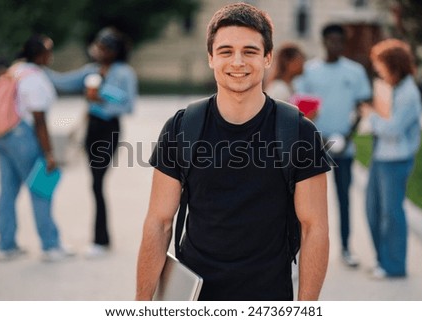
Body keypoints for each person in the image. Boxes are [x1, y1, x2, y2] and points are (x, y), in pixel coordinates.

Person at [136, 3, 330, 301]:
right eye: (226, 51)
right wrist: (142, 306)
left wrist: (306, 310)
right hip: (194, 298)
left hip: (269, 298)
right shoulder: (182, 127)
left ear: (267, 58)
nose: (237, 61)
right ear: (211, 58)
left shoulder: (297, 132)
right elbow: (159, 222)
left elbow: (314, 228)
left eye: (250, 51)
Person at [45, 27, 138, 258]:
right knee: (94, 183)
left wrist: (103, 95)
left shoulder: (124, 72)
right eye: (98, 46)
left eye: (104, 47)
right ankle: (100, 239)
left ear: (114, 51)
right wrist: (37, 68)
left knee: (97, 183)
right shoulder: (91, 71)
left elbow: (128, 105)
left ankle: (101, 240)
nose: (98, 50)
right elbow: (64, 82)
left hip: (109, 129)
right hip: (92, 129)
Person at [294, 23, 372, 267]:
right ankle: (298, 254)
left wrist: (348, 136)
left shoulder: (355, 71)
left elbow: (362, 108)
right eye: (331, 40)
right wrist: (318, 139)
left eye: (340, 41)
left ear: (344, 43)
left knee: (344, 199)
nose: (335, 45)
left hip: (343, 148)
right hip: (313, 150)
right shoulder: (309, 71)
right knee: (305, 204)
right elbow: (302, 109)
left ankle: (347, 248)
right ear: (323, 41)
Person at [0, 34, 73, 262]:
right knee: (40, 188)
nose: (51, 56)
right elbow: (39, 120)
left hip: (1, 135)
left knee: (8, 189)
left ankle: (6, 245)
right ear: (39, 55)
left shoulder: (15, 70)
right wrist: (49, 153)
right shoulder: (33, 78)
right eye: (48, 51)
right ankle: (50, 245)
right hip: (22, 136)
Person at [360, 39, 422, 279]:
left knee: (391, 214)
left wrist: (371, 115)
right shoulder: (392, 88)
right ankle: (382, 260)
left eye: (381, 66)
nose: (378, 71)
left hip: (396, 160)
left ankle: (394, 266)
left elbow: (393, 129)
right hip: (381, 158)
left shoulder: (409, 93)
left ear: (394, 66)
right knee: (372, 209)